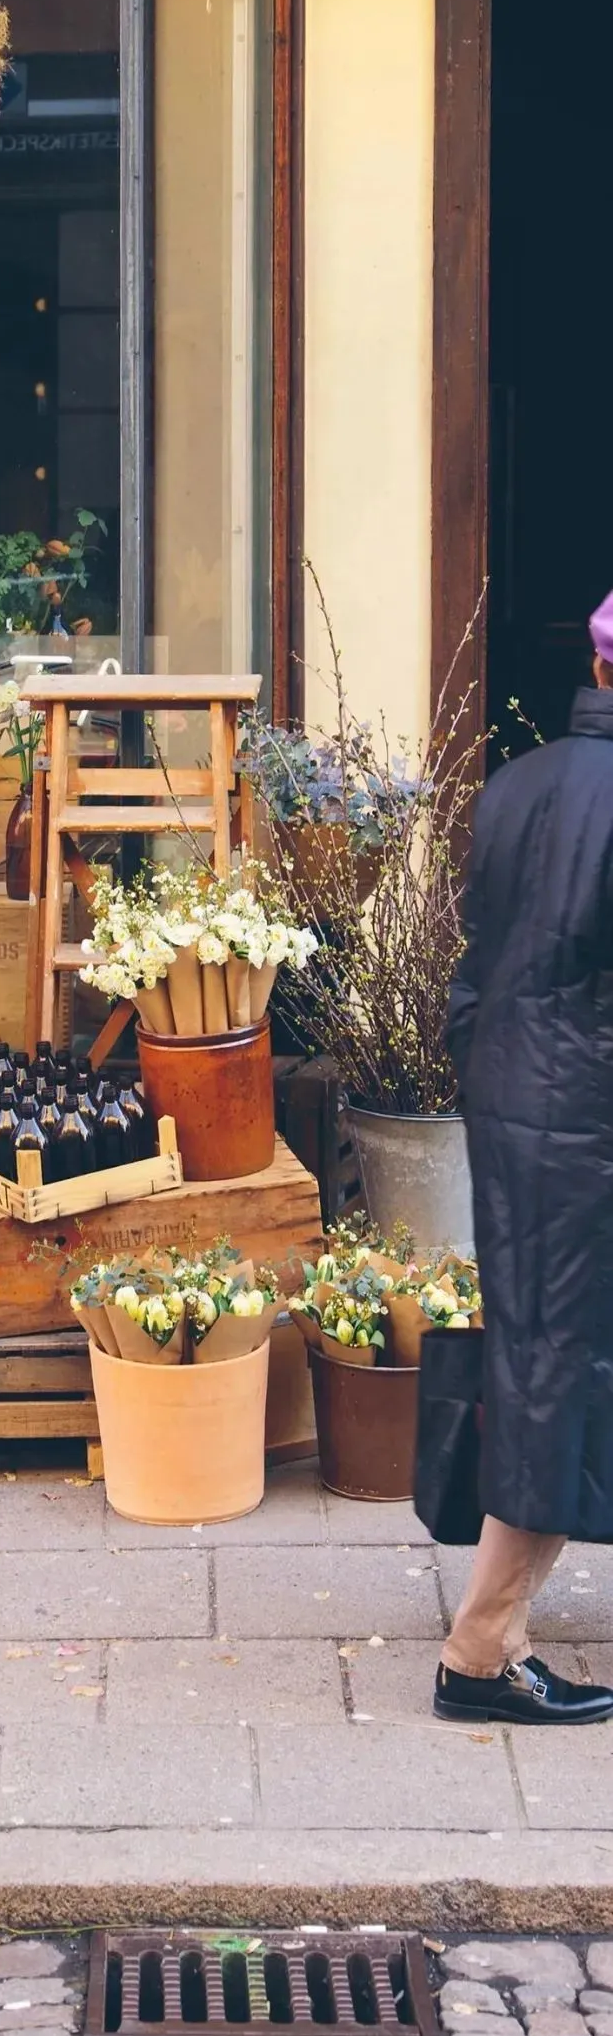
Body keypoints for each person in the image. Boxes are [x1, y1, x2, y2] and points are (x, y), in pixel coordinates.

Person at [436, 597, 613, 1726]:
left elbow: (477, 962)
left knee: (543, 1347)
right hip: (589, 1120)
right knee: (559, 1366)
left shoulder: (514, 785)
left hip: (514, 1101)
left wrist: (488, 1071)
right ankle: (480, 1647)